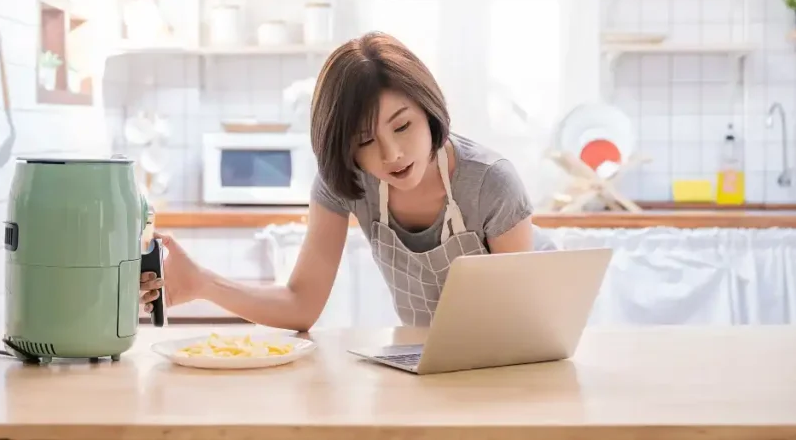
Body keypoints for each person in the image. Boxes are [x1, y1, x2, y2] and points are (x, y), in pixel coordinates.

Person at [139, 31, 556, 330]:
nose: (391, 154)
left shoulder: (491, 182)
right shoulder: (346, 182)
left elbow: (519, 329)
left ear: (429, 111)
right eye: (366, 140)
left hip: (505, 359)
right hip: (423, 359)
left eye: (403, 126)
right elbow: (301, 305)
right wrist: (203, 284)